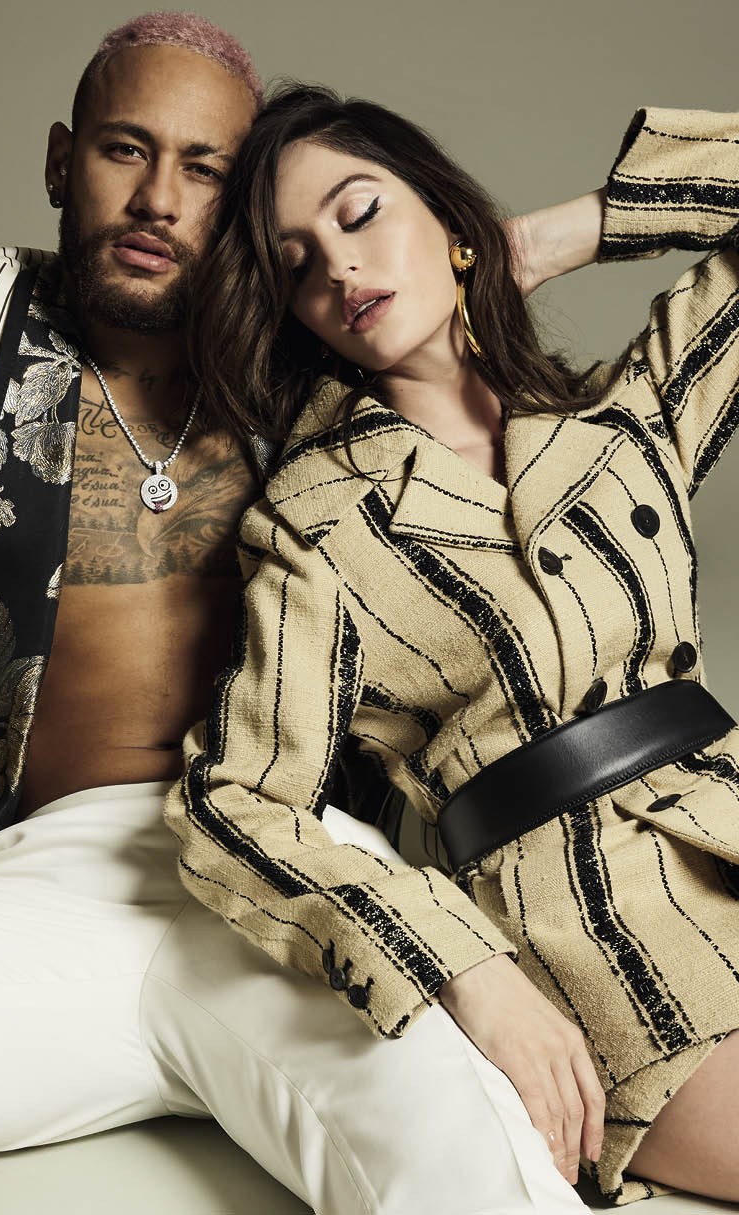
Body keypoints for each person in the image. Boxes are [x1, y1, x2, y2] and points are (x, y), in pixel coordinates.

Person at [0, 14, 591, 1215]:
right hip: (29, 896)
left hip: (303, 891)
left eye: (206, 171)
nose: (159, 199)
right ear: (63, 162)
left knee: (470, 1180)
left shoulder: (329, 366)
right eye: (126, 150)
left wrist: (508, 242)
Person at [168, 85, 739, 1207]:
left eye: (362, 212)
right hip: (602, 935)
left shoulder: (626, 420)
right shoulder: (317, 521)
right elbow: (234, 803)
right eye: (297, 263)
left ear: (446, 216)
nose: (339, 266)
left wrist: (556, 235)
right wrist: (458, 960)